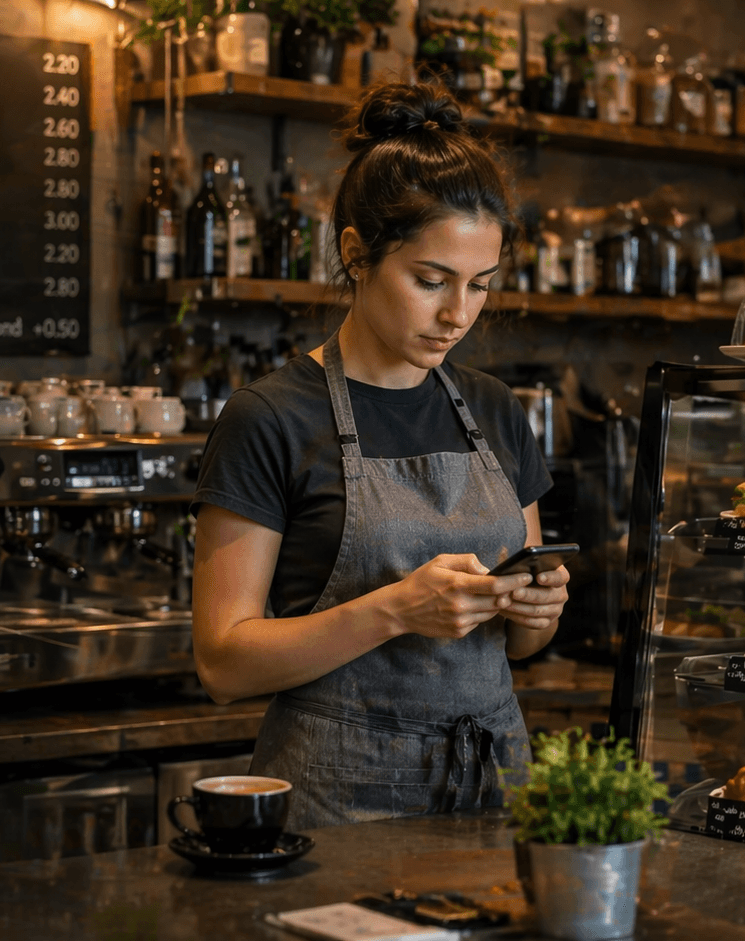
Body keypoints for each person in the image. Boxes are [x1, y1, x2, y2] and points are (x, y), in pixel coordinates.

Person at [189, 82, 570, 830]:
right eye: (430, 281)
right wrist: (396, 609)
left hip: (493, 785)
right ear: (356, 254)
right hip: (339, 799)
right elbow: (223, 663)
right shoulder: (270, 417)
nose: (457, 314)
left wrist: (538, 608)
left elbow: (524, 646)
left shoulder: (494, 408)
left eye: (479, 286)